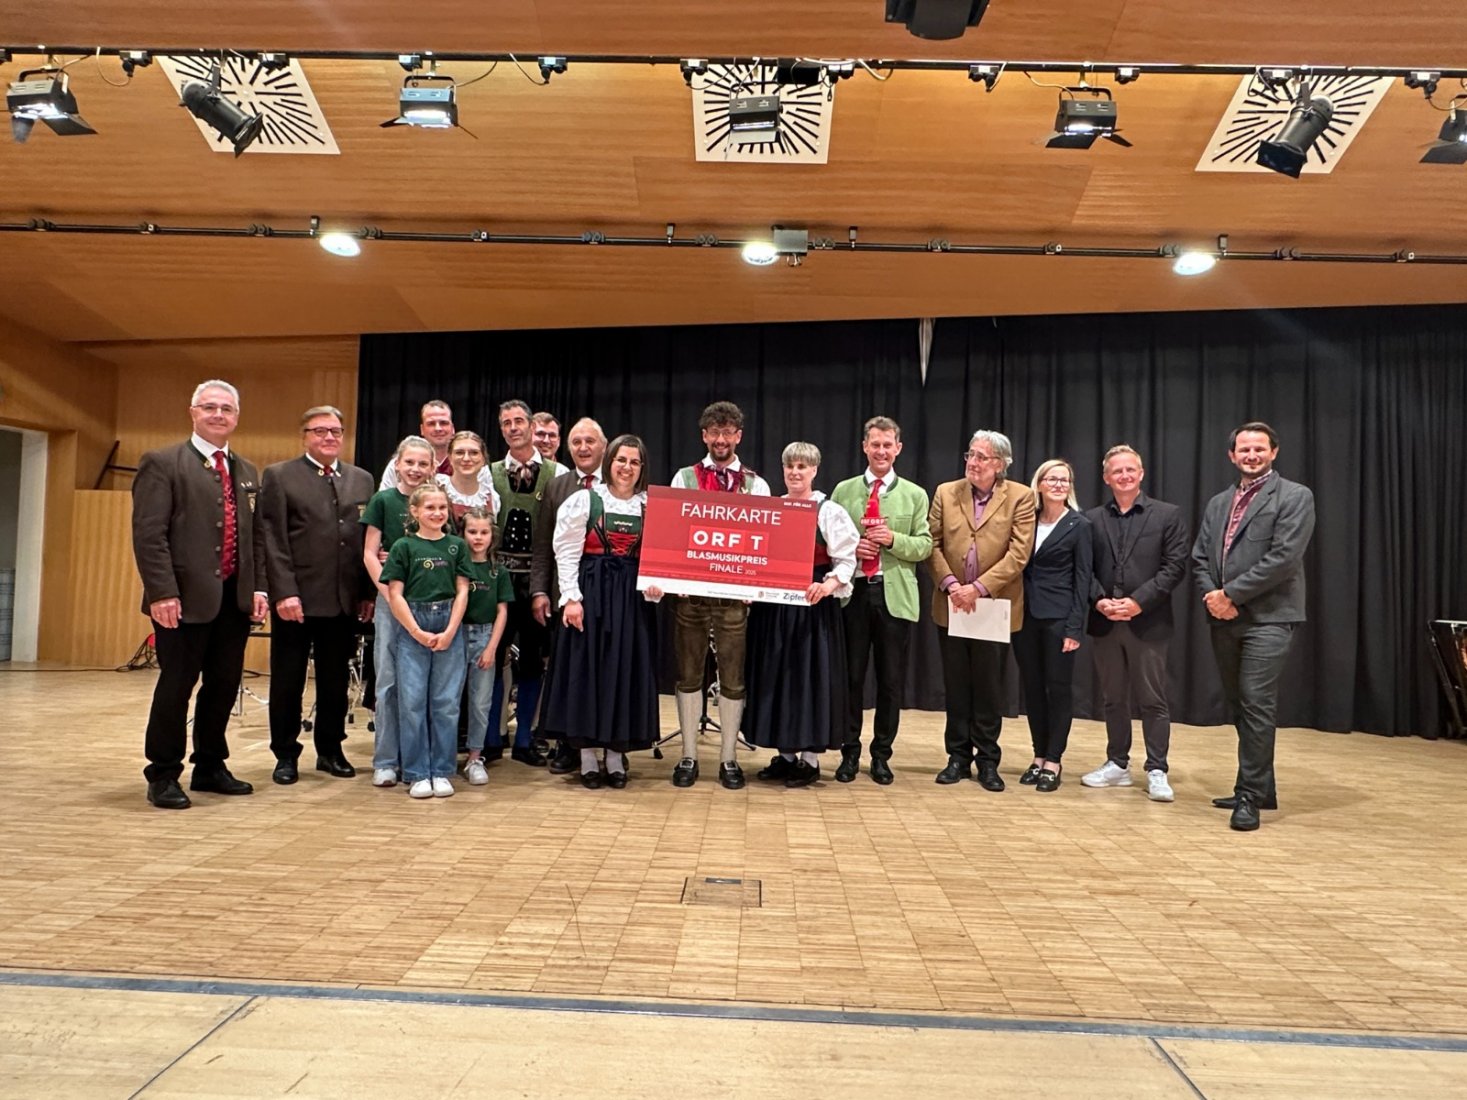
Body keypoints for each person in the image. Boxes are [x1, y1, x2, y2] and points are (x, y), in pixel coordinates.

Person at [131, 380, 268, 809]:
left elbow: (255, 537)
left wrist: (259, 587)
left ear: (237, 417)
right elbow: (149, 535)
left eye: (226, 408)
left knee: (223, 685)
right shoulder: (162, 463)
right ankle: (163, 773)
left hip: (233, 599)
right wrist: (162, 593)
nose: (218, 414)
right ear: (193, 412)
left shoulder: (247, 471)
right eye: (209, 407)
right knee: (176, 686)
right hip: (182, 600)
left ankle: (209, 764)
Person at [1192, 421, 1315, 831]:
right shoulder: (1218, 502)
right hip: (1224, 617)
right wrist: (1214, 596)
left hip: (1270, 617)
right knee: (1239, 703)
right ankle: (1263, 786)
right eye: (1244, 449)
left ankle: (1248, 797)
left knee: (1256, 701)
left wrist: (1231, 595)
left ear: (1273, 452)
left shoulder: (1295, 496)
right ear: (1232, 455)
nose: (1251, 455)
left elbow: (1284, 558)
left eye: (1259, 448)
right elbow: (1200, 558)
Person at [258, 405, 376, 785]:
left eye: (335, 431)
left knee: (335, 681)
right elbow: (272, 539)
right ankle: (285, 754)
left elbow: (365, 541)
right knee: (288, 680)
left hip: (343, 599)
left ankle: (330, 749)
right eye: (320, 430)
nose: (329, 437)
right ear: (304, 435)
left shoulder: (361, 479)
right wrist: (283, 592)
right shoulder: (280, 476)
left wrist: (365, 592)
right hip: (297, 599)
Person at [543, 435, 664, 788]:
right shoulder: (585, 500)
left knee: (622, 671)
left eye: (635, 462)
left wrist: (656, 585)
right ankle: (586, 756)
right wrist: (571, 598)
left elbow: (659, 556)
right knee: (587, 670)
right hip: (592, 593)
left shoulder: (650, 506)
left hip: (631, 600)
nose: (627, 467)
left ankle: (614, 754)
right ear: (609, 462)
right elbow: (566, 551)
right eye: (621, 460)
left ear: (642, 468)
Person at [670, 400, 771, 789]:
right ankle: (689, 756)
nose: (721, 439)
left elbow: (763, 542)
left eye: (728, 432)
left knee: (733, 678)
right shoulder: (684, 479)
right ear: (704, 436)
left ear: (738, 436)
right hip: (691, 598)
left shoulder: (756, 484)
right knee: (688, 675)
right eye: (714, 432)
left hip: (733, 601)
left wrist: (754, 586)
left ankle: (729, 758)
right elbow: (674, 534)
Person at [1079, 445, 1190, 802]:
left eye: (1130, 470)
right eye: (1117, 471)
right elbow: (1084, 569)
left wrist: (1138, 602)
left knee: (1152, 700)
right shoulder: (1091, 519)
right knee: (1113, 699)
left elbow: (1174, 567)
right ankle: (1117, 763)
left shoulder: (1168, 515)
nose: (1124, 476)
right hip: (1106, 621)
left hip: (1148, 622)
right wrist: (1100, 600)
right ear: (1106, 477)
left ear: (1141, 474)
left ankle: (1157, 768)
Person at [745, 442, 860, 787]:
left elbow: (846, 560)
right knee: (777, 679)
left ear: (814, 470)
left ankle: (809, 760)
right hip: (774, 610)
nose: (795, 472)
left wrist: (828, 585)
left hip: (811, 609)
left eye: (802, 467)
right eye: (790, 466)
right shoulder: (771, 509)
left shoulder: (828, 511)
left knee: (807, 681)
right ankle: (785, 756)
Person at [927, 429, 1035, 792]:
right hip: (952, 604)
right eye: (970, 455)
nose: (973, 462)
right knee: (956, 684)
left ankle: (988, 760)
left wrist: (978, 588)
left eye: (982, 457)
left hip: (994, 606)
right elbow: (932, 544)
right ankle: (957, 757)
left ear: (1000, 464)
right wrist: (952, 585)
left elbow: (1018, 554)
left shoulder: (1020, 496)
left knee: (989, 687)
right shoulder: (946, 492)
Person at [830, 416, 932, 785]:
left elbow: (925, 546)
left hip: (894, 597)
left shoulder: (915, 494)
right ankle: (849, 752)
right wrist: (850, 549)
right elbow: (826, 541)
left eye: (888, 445)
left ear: (898, 449)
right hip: (853, 595)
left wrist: (892, 539)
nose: (881, 451)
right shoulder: (843, 491)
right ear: (864, 447)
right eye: (875, 444)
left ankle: (881, 755)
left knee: (890, 682)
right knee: (851, 678)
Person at [486, 399, 569, 765]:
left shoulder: (558, 473)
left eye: (519, 421)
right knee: (493, 657)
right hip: (498, 580)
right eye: (506, 422)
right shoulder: (489, 473)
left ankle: (525, 739)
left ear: (532, 427)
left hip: (537, 582)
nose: (513, 428)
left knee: (534, 660)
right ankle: (491, 737)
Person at [380, 483, 472, 799]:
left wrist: (450, 631)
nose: (437, 513)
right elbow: (395, 594)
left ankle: (442, 770)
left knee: (446, 703)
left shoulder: (456, 546)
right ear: (415, 511)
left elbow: (462, 590)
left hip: (449, 623)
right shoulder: (403, 546)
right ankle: (417, 772)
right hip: (413, 625)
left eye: (442, 508)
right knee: (412, 702)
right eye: (430, 508)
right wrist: (416, 631)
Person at [530, 417, 609, 775]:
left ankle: (609, 743)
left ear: (604, 446)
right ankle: (568, 745)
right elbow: (543, 545)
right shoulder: (557, 486)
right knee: (570, 673)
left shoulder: (618, 483)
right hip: (567, 597)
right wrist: (540, 591)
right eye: (576, 442)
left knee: (603, 672)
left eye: (590, 441)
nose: (583, 447)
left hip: (608, 596)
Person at [1011, 459, 1092, 792]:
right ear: (1040, 484)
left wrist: (1075, 628)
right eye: (1052, 479)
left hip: (1059, 618)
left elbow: (1083, 579)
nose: (1059, 484)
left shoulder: (1079, 525)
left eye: (1064, 480)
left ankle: (1054, 760)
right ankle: (1038, 756)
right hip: (1024, 616)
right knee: (1032, 688)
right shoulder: (1026, 519)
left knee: (1057, 689)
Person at [361, 435, 437, 787]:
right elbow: (370, 554)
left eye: (423, 463)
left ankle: (415, 757)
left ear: (432, 467)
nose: (415, 469)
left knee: (420, 686)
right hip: (391, 601)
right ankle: (386, 760)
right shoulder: (383, 500)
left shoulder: (436, 501)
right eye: (410, 462)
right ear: (397, 464)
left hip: (429, 603)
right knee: (388, 682)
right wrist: (390, 595)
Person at [459, 507, 512, 786]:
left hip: (484, 637)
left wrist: (492, 647)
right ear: (462, 534)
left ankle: (475, 757)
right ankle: (442, 755)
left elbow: (502, 611)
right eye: (472, 532)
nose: (478, 538)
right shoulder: (455, 567)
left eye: (484, 532)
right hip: (455, 637)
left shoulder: (497, 571)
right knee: (447, 700)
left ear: (493, 536)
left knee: (480, 702)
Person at [379, 399, 459, 487]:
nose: (438, 428)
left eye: (444, 423)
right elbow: (385, 494)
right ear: (422, 429)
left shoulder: (464, 462)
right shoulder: (400, 463)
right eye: (431, 423)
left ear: (452, 428)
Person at [436, 430, 502, 532]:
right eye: (459, 452)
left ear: (483, 458)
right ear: (450, 457)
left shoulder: (492, 498)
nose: (466, 458)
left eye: (474, 453)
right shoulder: (437, 487)